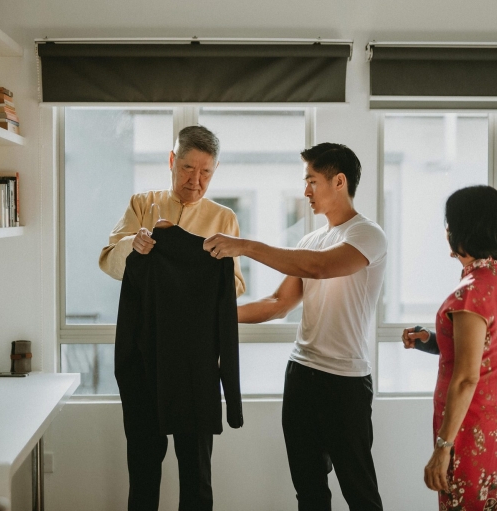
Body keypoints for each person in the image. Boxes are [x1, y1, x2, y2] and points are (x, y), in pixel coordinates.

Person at [203, 142, 386, 511]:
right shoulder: (310, 240)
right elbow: (277, 304)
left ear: (339, 181)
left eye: (312, 181)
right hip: (301, 376)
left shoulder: (367, 235)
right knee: (309, 492)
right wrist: (211, 315)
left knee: (360, 493)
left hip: (345, 383)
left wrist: (246, 247)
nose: (306, 192)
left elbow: (319, 267)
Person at [99, 125, 246, 511]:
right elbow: (110, 261)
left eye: (206, 173)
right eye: (186, 169)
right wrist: (136, 247)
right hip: (145, 357)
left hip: (195, 364)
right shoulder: (142, 204)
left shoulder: (224, 218)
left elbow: (235, 286)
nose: (195, 182)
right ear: (171, 161)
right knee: (144, 464)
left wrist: (199, 266)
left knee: (196, 471)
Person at [402, 185, 497, 511]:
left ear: (463, 229)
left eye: (449, 222)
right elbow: (482, 353)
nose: (446, 230)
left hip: (469, 431)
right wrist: (431, 339)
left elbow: (467, 377)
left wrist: (442, 449)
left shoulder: (472, 292)